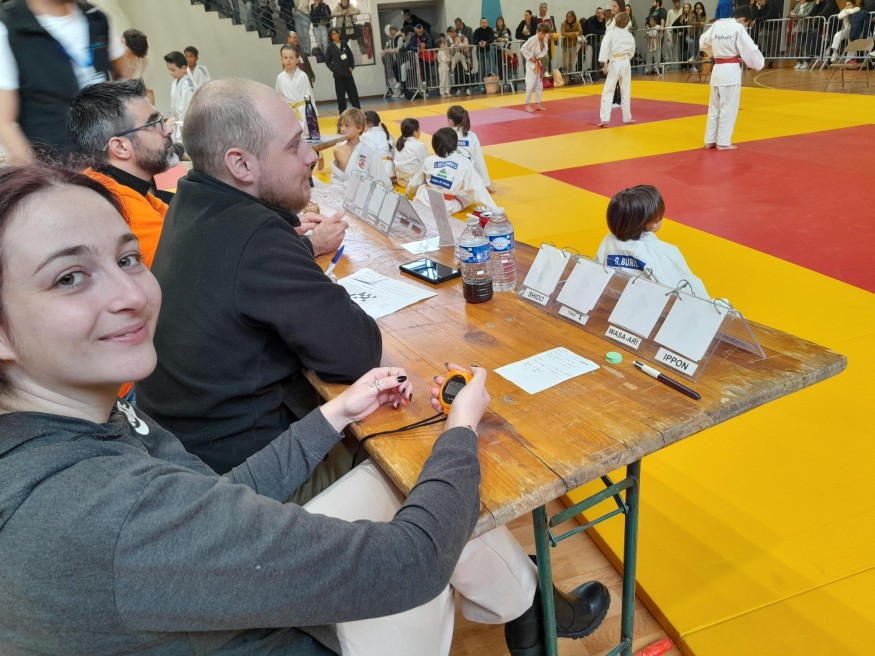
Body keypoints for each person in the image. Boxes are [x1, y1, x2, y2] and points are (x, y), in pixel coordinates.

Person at [0, 161, 525, 655]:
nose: (130, 295)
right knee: (433, 486)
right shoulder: (106, 512)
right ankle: (527, 607)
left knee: (402, 478)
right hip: (305, 637)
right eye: (68, 278)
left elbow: (213, 498)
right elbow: (414, 564)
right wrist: (460, 430)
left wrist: (337, 413)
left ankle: (526, 605)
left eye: (127, 259)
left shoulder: (74, 428)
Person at [134, 79, 370, 483]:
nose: (311, 155)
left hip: (186, 455)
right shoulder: (256, 236)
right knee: (404, 450)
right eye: (294, 146)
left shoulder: (190, 200)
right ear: (241, 165)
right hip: (246, 482)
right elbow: (357, 352)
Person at [67, 78, 177, 270]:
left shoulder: (102, 181)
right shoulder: (125, 210)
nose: (167, 130)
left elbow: (175, 218)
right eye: (154, 123)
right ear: (120, 147)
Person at [0, 0, 126, 163]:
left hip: (112, 153)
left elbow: (124, 76)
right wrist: (38, 173)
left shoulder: (95, 17)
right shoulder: (10, 26)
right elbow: (5, 122)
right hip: (60, 164)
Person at [596, 184, 710, 297]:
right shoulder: (665, 253)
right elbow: (694, 293)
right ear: (651, 223)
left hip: (610, 301)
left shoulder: (608, 242)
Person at [699, 5, 764, 150]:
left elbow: (703, 42)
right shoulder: (737, 28)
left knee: (714, 108)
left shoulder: (717, 24)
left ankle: (709, 140)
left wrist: (713, 53)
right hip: (730, 72)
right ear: (742, 19)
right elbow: (750, 49)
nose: (745, 27)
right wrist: (758, 64)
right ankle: (723, 142)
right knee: (728, 108)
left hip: (717, 70)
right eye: (746, 24)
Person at [406, 127, 496, 214]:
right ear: (455, 145)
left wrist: (408, 194)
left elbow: (414, 183)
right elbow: (477, 188)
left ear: (434, 144)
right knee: (467, 195)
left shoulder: (429, 160)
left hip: (423, 200)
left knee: (423, 185)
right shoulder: (464, 162)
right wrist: (494, 209)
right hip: (445, 205)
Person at [331, 107, 391, 187]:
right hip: (341, 191)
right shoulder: (337, 149)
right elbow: (336, 178)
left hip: (364, 190)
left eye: (347, 126)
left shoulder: (369, 149)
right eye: (341, 125)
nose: (342, 129)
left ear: (359, 128)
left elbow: (377, 175)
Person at [598, 11, 635, 127]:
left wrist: (605, 63)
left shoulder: (611, 33)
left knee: (609, 90)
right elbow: (632, 50)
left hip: (615, 62)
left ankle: (605, 118)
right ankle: (627, 117)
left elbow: (604, 48)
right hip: (625, 62)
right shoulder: (629, 35)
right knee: (626, 90)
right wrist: (626, 58)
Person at [447, 104, 495, 193]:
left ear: (450, 121)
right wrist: (485, 183)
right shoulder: (471, 136)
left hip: (449, 180)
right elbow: (479, 160)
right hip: (469, 179)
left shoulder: (445, 135)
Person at [276, 44, 315, 126]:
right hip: (288, 111)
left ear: (297, 60)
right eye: (285, 58)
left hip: (303, 110)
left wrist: (312, 112)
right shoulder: (280, 77)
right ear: (281, 60)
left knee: (305, 132)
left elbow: (309, 94)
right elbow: (279, 97)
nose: (288, 60)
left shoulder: (303, 75)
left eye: (291, 58)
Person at [324, 27, 360, 112]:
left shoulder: (344, 44)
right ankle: (342, 114)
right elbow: (327, 60)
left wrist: (352, 66)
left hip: (348, 73)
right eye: (333, 34)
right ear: (331, 36)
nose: (336, 35)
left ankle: (358, 111)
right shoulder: (330, 47)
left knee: (353, 94)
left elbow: (350, 56)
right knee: (340, 97)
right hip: (338, 76)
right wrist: (334, 69)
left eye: (336, 33)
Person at [163, 50, 195, 143]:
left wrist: (182, 126)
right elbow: (173, 105)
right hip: (176, 123)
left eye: (173, 70)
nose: (170, 73)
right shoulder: (175, 83)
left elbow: (185, 109)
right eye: (169, 70)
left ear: (184, 68)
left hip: (185, 124)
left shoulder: (188, 84)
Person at [521, 22, 550, 112]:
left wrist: (538, 57)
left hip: (538, 63)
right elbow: (523, 49)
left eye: (545, 34)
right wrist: (530, 57)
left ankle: (538, 103)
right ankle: (527, 105)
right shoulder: (532, 39)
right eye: (542, 33)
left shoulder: (545, 39)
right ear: (537, 31)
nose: (543, 35)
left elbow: (544, 50)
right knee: (530, 85)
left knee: (539, 85)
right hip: (531, 64)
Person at [121, 28, 154, 105]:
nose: (131, 56)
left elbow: (148, 91)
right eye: (129, 53)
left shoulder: (142, 61)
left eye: (134, 55)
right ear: (122, 41)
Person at [361, 109, 395, 183]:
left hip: (374, 172)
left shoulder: (364, 136)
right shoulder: (387, 134)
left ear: (368, 123)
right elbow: (394, 153)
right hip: (390, 171)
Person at [394, 117, 427, 187]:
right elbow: (426, 164)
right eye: (419, 129)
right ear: (415, 132)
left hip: (400, 180)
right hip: (414, 183)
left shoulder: (399, 144)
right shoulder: (419, 145)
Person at [472, 16, 496, 84]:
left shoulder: (490, 30)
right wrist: (479, 43)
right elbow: (474, 40)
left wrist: (486, 42)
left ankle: (488, 84)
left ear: (487, 23)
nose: (484, 24)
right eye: (483, 22)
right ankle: (481, 85)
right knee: (481, 69)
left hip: (488, 51)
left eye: (485, 22)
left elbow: (492, 39)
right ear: (480, 23)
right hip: (480, 52)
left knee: (488, 68)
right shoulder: (477, 31)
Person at [382, 24, 404, 96]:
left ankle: (403, 91)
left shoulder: (399, 37)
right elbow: (393, 49)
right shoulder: (393, 39)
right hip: (396, 59)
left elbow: (398, 49)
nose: (390, 33)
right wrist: (387, 51)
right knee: (397, 72)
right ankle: (401, 88)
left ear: (394, 30)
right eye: (390, 31)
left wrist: (388, 50)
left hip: (401, 59)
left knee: (401, 75)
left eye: (391, 31)